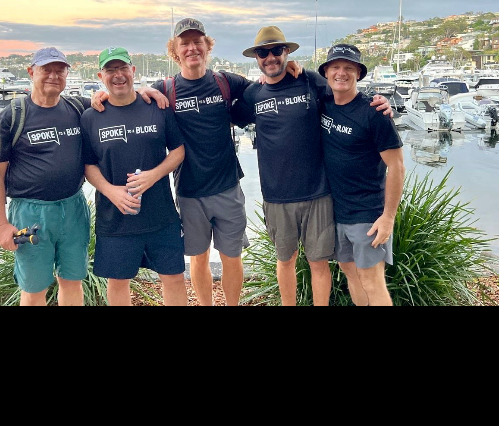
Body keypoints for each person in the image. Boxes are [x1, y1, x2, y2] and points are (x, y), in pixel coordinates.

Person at [231, 26, 392, 306]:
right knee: (285, 261)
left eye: (276, 50)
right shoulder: (253, 93)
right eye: (263, 53)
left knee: (319, 263)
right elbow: (226, 116)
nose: (270, 57)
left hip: (318, 193)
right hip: (276, 196)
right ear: (256, 58)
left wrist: (378, 102)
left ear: (286, 52)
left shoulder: (309, 81)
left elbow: (345, 93)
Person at [151, 18, 300, 306]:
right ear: (175, 50)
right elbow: (129, 101)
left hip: (228, 187)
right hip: (189, 190)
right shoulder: (165, 88)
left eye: (198, 42)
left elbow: (267, 86)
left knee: (232, 257)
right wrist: (109, 94)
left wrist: (289, 69)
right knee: (199, 258)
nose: (192, 48)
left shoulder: (225, 82)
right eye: (185, 43)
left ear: (207, 46)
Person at [0, 47, 92, 306]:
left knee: (72, 281)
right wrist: (1, 226)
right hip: (30, 213)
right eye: (46, 69)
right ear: (31, 72)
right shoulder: (11, 116)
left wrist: (149, 92)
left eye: (60, 70)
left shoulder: (79, 108)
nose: (54, 76)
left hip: (73, 208)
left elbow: (120, 100)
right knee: (34, 289)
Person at [81, 47, 187, 306]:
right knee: (118, 283)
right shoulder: (91, 117)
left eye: (123, 68)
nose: (118, 75)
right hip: (115, 219)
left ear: (133, 71)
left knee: (174, 278)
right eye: (110, 70)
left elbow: (178, 151)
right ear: (101, 76)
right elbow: (88, 165)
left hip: (160, 214)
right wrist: (110, 191)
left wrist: (154, 175)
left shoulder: (157, 107)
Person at [318, 44, 405, 306]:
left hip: (367, 214)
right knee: (350, 273)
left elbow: (397, 166)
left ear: (358, 74)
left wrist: (388, 217)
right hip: (336, 211)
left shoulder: (374, 113)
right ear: (326, 72)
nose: (341, 73)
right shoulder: (324, 104)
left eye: (349, 68)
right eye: (335, 67)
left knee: (371, 280)